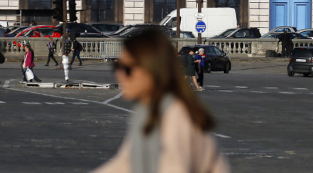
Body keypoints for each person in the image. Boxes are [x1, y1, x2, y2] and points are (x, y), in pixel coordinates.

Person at [95, 29, 229, 173]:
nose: (118, 74)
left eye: (127, 69)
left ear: (151, 69)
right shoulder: (146, 111)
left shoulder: (175, 116)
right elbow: (125, 163)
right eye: (117, 67)